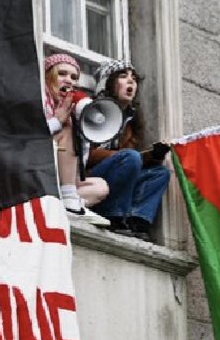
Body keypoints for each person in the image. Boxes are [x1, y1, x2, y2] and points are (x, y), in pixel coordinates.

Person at [86, 59, 171, 242]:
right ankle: (113, 215)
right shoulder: (91, 111)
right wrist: (124, 157)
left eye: (134, 78)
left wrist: (154, 156)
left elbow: (131, 162)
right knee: (130, 157)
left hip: (117, 175)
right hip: (91, 180)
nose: (131, 81)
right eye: (123, 76)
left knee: (160, 173)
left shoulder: (131, 121)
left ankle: (136, 219)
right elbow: (86, 155)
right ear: (108, 82)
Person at [43, 53, 111, 228]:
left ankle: (68, 202)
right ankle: (70, 205)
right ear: (48, 76)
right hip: (37, 172)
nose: (69, 81)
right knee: (66, 128)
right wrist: (57, 122)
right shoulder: (39, 101)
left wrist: (81, 125)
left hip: (62, 182)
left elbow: (79, 159)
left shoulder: (73, 112)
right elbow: (28, 138)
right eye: (62, 74)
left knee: (101, 187)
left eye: (74, 77)